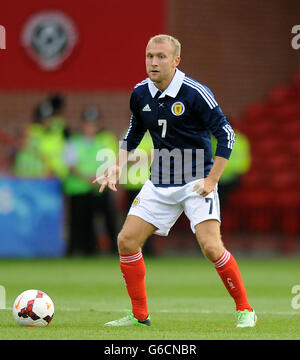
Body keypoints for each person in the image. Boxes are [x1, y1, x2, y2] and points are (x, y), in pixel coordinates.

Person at [93, 34, 257, 328]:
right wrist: (117, 166)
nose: (153, 62)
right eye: (149, 56)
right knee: (126, 241)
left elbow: (226, 134)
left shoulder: (195, 93)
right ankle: (140, 316)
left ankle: (245, 309)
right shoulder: (140, 92)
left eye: (161, 56)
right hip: (160, 181)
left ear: (176, 60)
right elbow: (133, 133)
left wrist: (212, 179)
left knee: (211, 248)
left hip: (196, 182)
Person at [64, 105, 119, 255]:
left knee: (108, 218)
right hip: (79, 188)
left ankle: (112, 248)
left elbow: (111, 162)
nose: (90, 127)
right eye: (88, 123)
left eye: (93, 124)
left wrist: (99, 177)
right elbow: (71, 165)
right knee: (80, 222)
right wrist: (88, 178)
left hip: (99, 186)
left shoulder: (103, 142)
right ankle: (80, 249)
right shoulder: (74, 142)